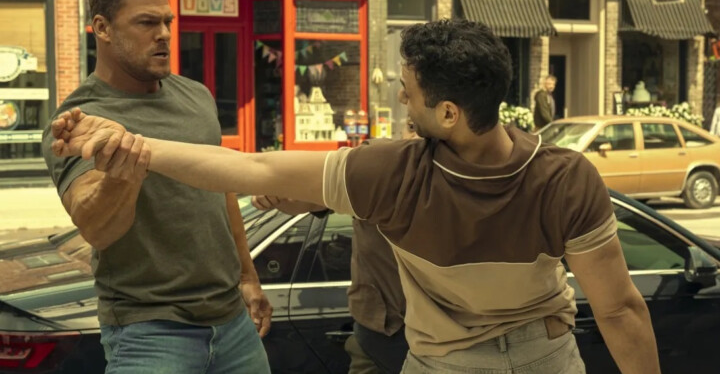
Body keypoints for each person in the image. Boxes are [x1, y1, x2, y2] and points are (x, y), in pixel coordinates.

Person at [50, 20, 660, 374]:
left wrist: (131, 143)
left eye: (408, 91)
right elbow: (620, 311)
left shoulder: (393, 172)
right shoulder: (567, 176)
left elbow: (248, 168)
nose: (400, 100)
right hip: (546, 358)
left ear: (449, 113)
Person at [40, 0, 271, 373]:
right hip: (149, 332)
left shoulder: (196, 97)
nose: (163, 34)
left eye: (167, 22)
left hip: (234, 325)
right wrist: (122, 173)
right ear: (102, 28)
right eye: (146, 23)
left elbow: (222, 190)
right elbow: (96, 228)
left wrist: (247, 277)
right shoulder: (80, 120)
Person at [252, 118, 418, 374]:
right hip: (377, 340)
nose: (414, 138)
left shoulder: (457, 182)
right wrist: (276, 191)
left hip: (443, 343)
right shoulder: (378, 167)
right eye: (411, 127)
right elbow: (309, 197)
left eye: (421, 130)